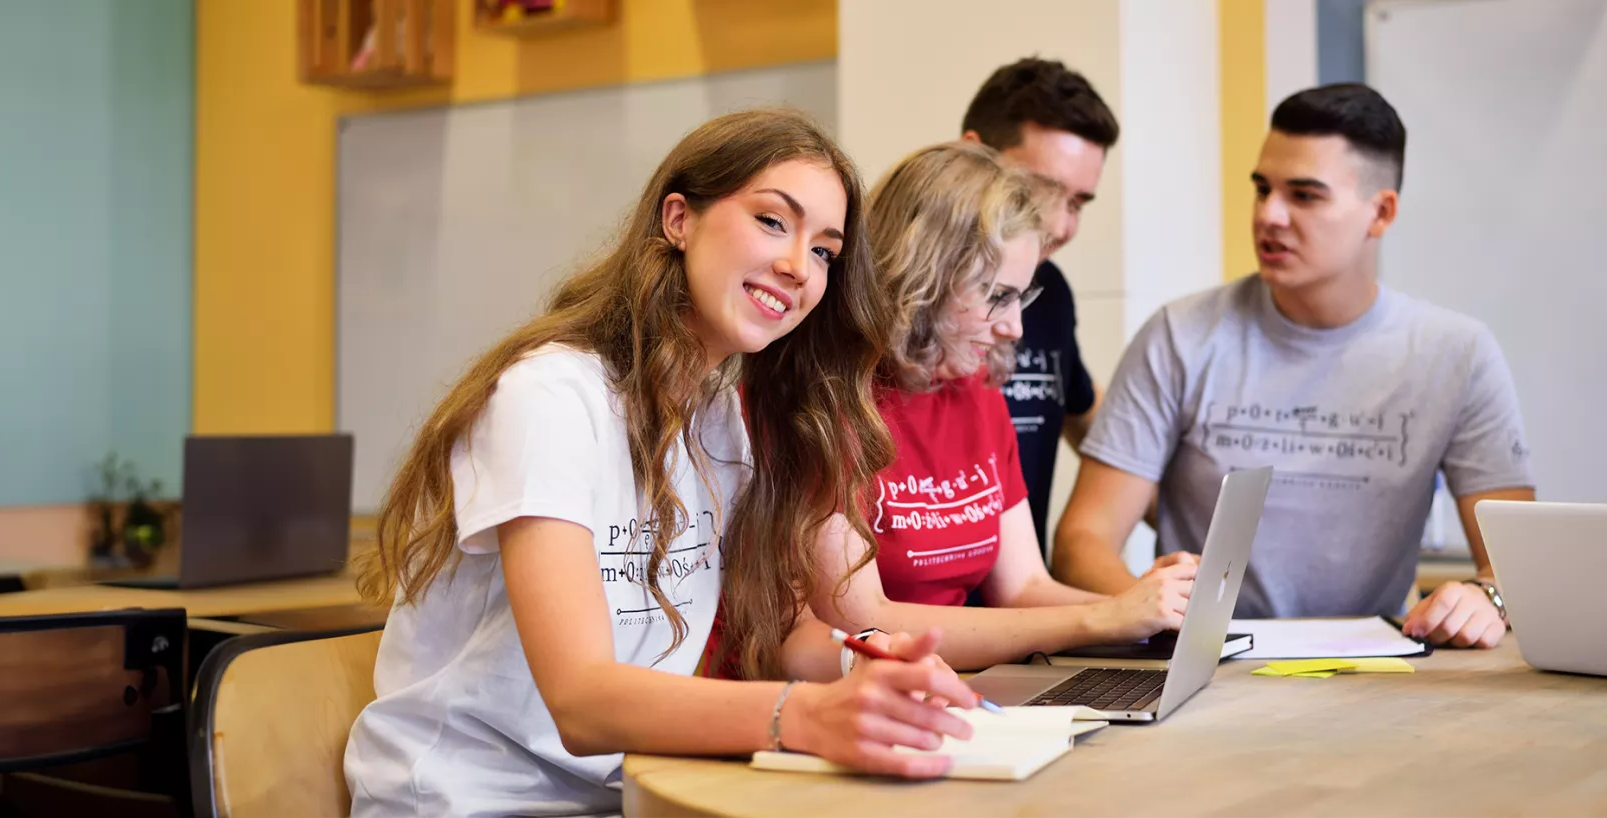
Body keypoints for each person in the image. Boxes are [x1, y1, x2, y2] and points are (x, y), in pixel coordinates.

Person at [344, 109, 985, 818]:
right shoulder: (552, 397)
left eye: (825, 252)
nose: (798, 267)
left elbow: (774, 640)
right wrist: (806, 717)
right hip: (459, 803)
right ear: (678, 219)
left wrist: (863, 666)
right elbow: (582, 702)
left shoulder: (720, 417)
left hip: (626, 798)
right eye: (773, 222)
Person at [1050, 84, 1537, 650]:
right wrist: (1160, 617)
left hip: (1381, 673)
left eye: (1304, 196)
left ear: (1380, 213)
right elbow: (1083, 541)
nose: (1269, 216)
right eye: (1263, 189)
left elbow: (1514, 568)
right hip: (1211, 665)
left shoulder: (1459, 353)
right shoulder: (1180, 335)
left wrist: (1487, 598)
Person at [802, 141, 1196, 671]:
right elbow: (862, 620)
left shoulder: (977, 394)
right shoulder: (824, 401)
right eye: (996, 296)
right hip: (860, 693)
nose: (1015, 327)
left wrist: (1143, 610)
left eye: (1020, 297)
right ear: (922, 281)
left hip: (958, 686)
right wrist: (1102, 619)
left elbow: (1024, 587)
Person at [958, 58, 1119, 549]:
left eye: (1077, 203)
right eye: (1036, 190)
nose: (1057, 225)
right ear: (972, 154)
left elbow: (1085, 409)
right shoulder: (874, 300)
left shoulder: (1050, 292)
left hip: (1029, 609)